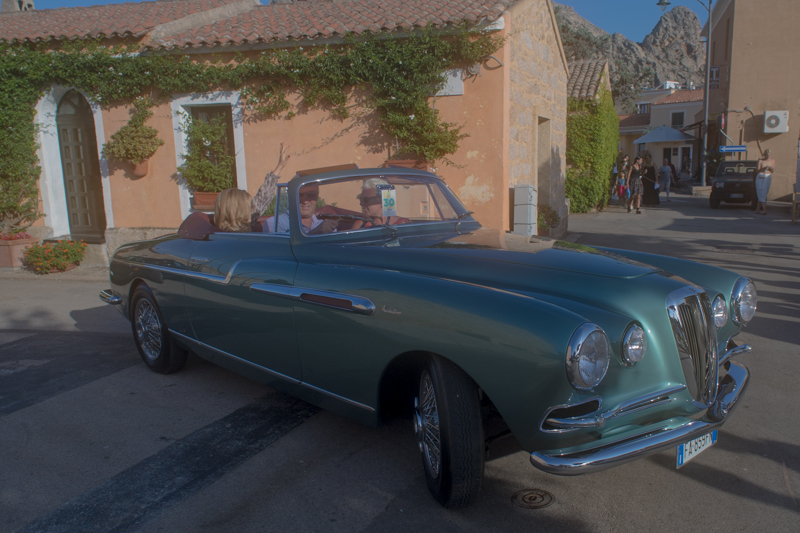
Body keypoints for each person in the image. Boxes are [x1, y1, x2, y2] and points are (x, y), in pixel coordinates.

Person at [263, 182, 337, 234]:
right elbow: (279, 251)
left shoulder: (325, 226)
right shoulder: (275, 223)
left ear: (317, 197)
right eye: (300, 195)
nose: (305, 201)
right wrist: (315, 233)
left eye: (311, 195)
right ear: (291, 197)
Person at [754, 149, 775, 215]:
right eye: (767, 155)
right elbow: (757, 170)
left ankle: (758, 210)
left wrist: (770, 168)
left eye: (769, 155)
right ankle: (764, 210)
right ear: (764, 155)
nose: (768, 156)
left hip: (767, 177)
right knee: (760, 192)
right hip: (760, 177)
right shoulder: (760, 161)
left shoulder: (772, 161)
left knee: (764, 193)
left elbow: (773, 170)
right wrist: (764, 168)